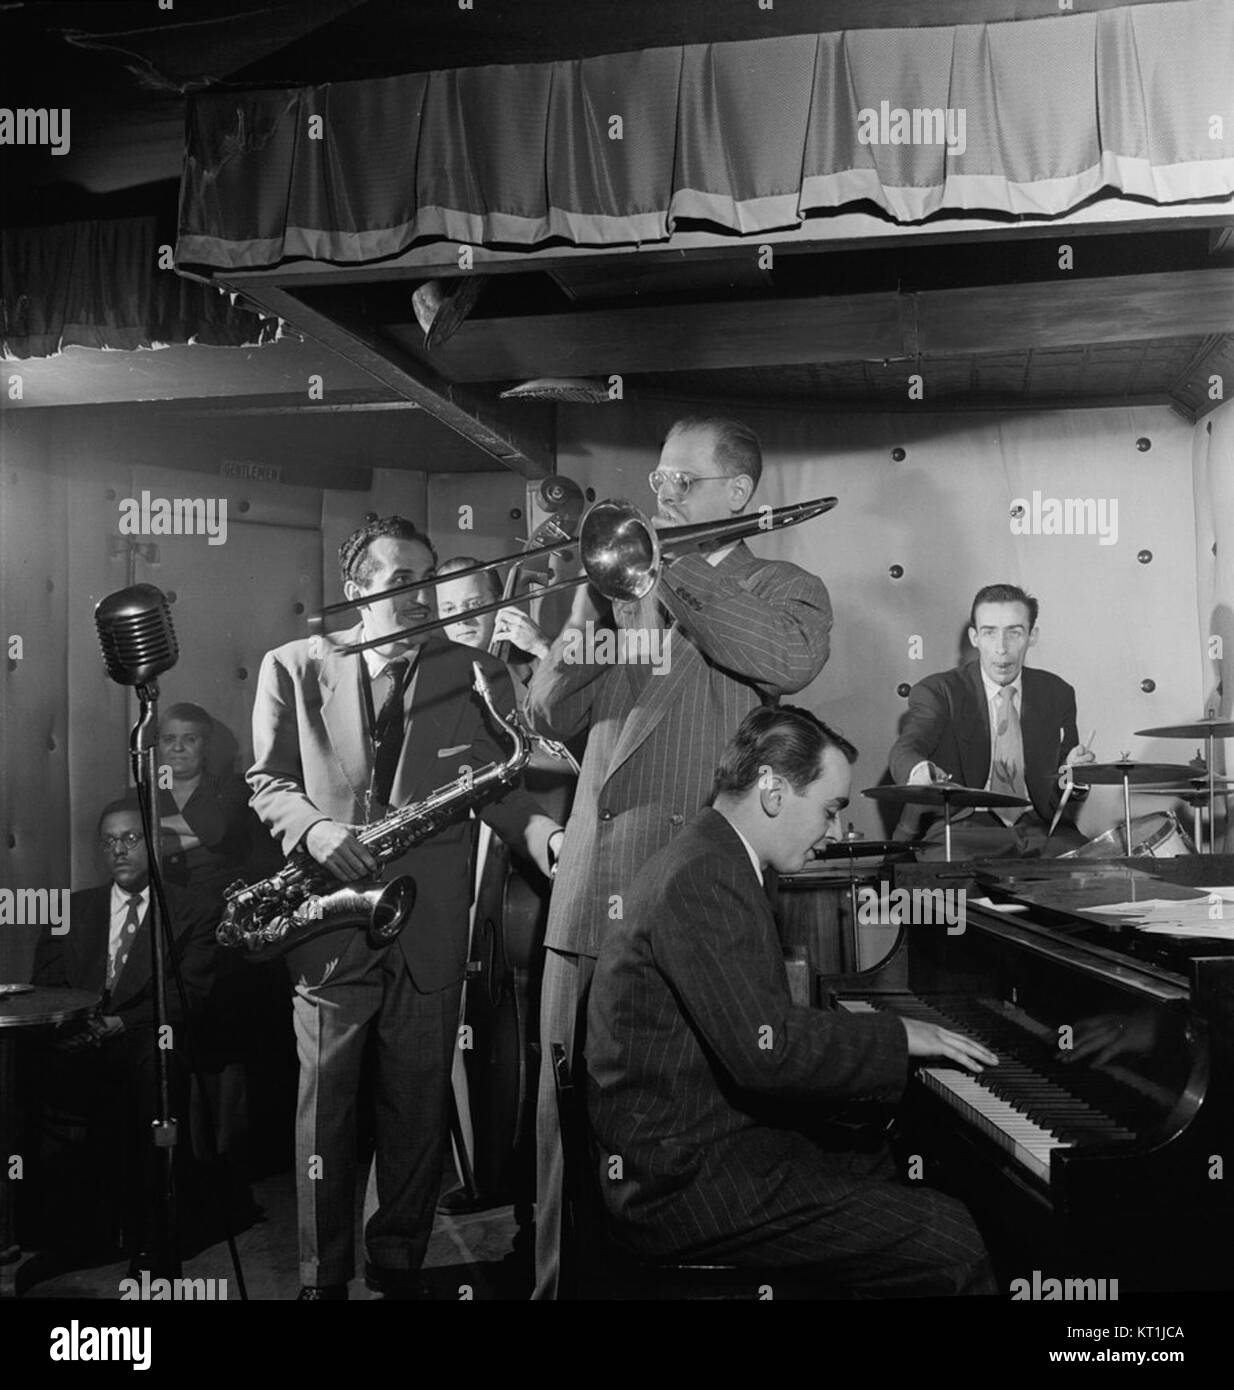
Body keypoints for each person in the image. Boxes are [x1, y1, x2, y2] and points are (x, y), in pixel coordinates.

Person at [527, 415, 834, 1297]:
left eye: (680, 484)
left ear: (737, 493)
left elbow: (783, 658)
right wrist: (601, 596)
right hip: (589, 896)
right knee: (563, 1147)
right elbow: (551, 711)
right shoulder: (615, 586)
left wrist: (669, 566)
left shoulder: (785, 583)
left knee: (671, 1144)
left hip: (684, 909)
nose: (659, 496)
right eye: (657, 482)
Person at [247, 514, 563, 1301]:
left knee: (417, 1110)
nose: (422, 596)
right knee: (324, 1115)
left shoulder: (474, 669)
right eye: (400, 581)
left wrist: (547, 839)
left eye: (427, 580)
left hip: (428, 928)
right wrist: (318, 833)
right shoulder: (289, 664)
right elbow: (268, 781)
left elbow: (505, 790)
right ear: (357, 590)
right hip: (328, 922)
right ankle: (322, 1280)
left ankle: (399, 1267)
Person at [587, 706, 998, 1295]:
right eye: (830, 810)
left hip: (690, 1144)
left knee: (894, 1160)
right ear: (774, 792)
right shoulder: (706, 876)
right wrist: (900, 1035)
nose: (834, 831)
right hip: (682, 1184)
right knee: (951, 1239)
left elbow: (758, 1032)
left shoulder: (712, 855)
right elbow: (767, 1052)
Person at [26, 799, 217, 1260]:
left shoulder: (193, 910)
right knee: (19, 1067)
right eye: (110, 841)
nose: (119, 850)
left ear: (153, 844)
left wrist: (120, 1023)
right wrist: (73, 1026)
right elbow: (48, 985)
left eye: (131, 839)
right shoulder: (73, 909)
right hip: (79, 1036)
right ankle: (42, 1232)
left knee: (157, 1067)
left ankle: (154, 1235)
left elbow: (190, 995)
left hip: (146, 1036)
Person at [888, 584, 1095, 858]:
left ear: (1032, 635)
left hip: (1041, 829)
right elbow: (906, 749)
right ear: (974, 637)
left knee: (1090, 873)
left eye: (1014, 632)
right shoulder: (939, 692)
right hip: (965, 828)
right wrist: (919, 773)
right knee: (948, 880)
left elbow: (1062, 789)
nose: (1001, 648)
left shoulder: (1057, 693)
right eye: (989, 632)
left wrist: (1075, 774)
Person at [156, 702, 256, 910]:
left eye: (190, 739)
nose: (177, 748)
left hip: (219, 909)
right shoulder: (144, 794)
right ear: (158, 745)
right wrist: (202, 833)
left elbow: (217, 827)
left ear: (207, 745)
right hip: (162, 909)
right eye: (168, 739)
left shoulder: (233, 787)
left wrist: (153, 830)